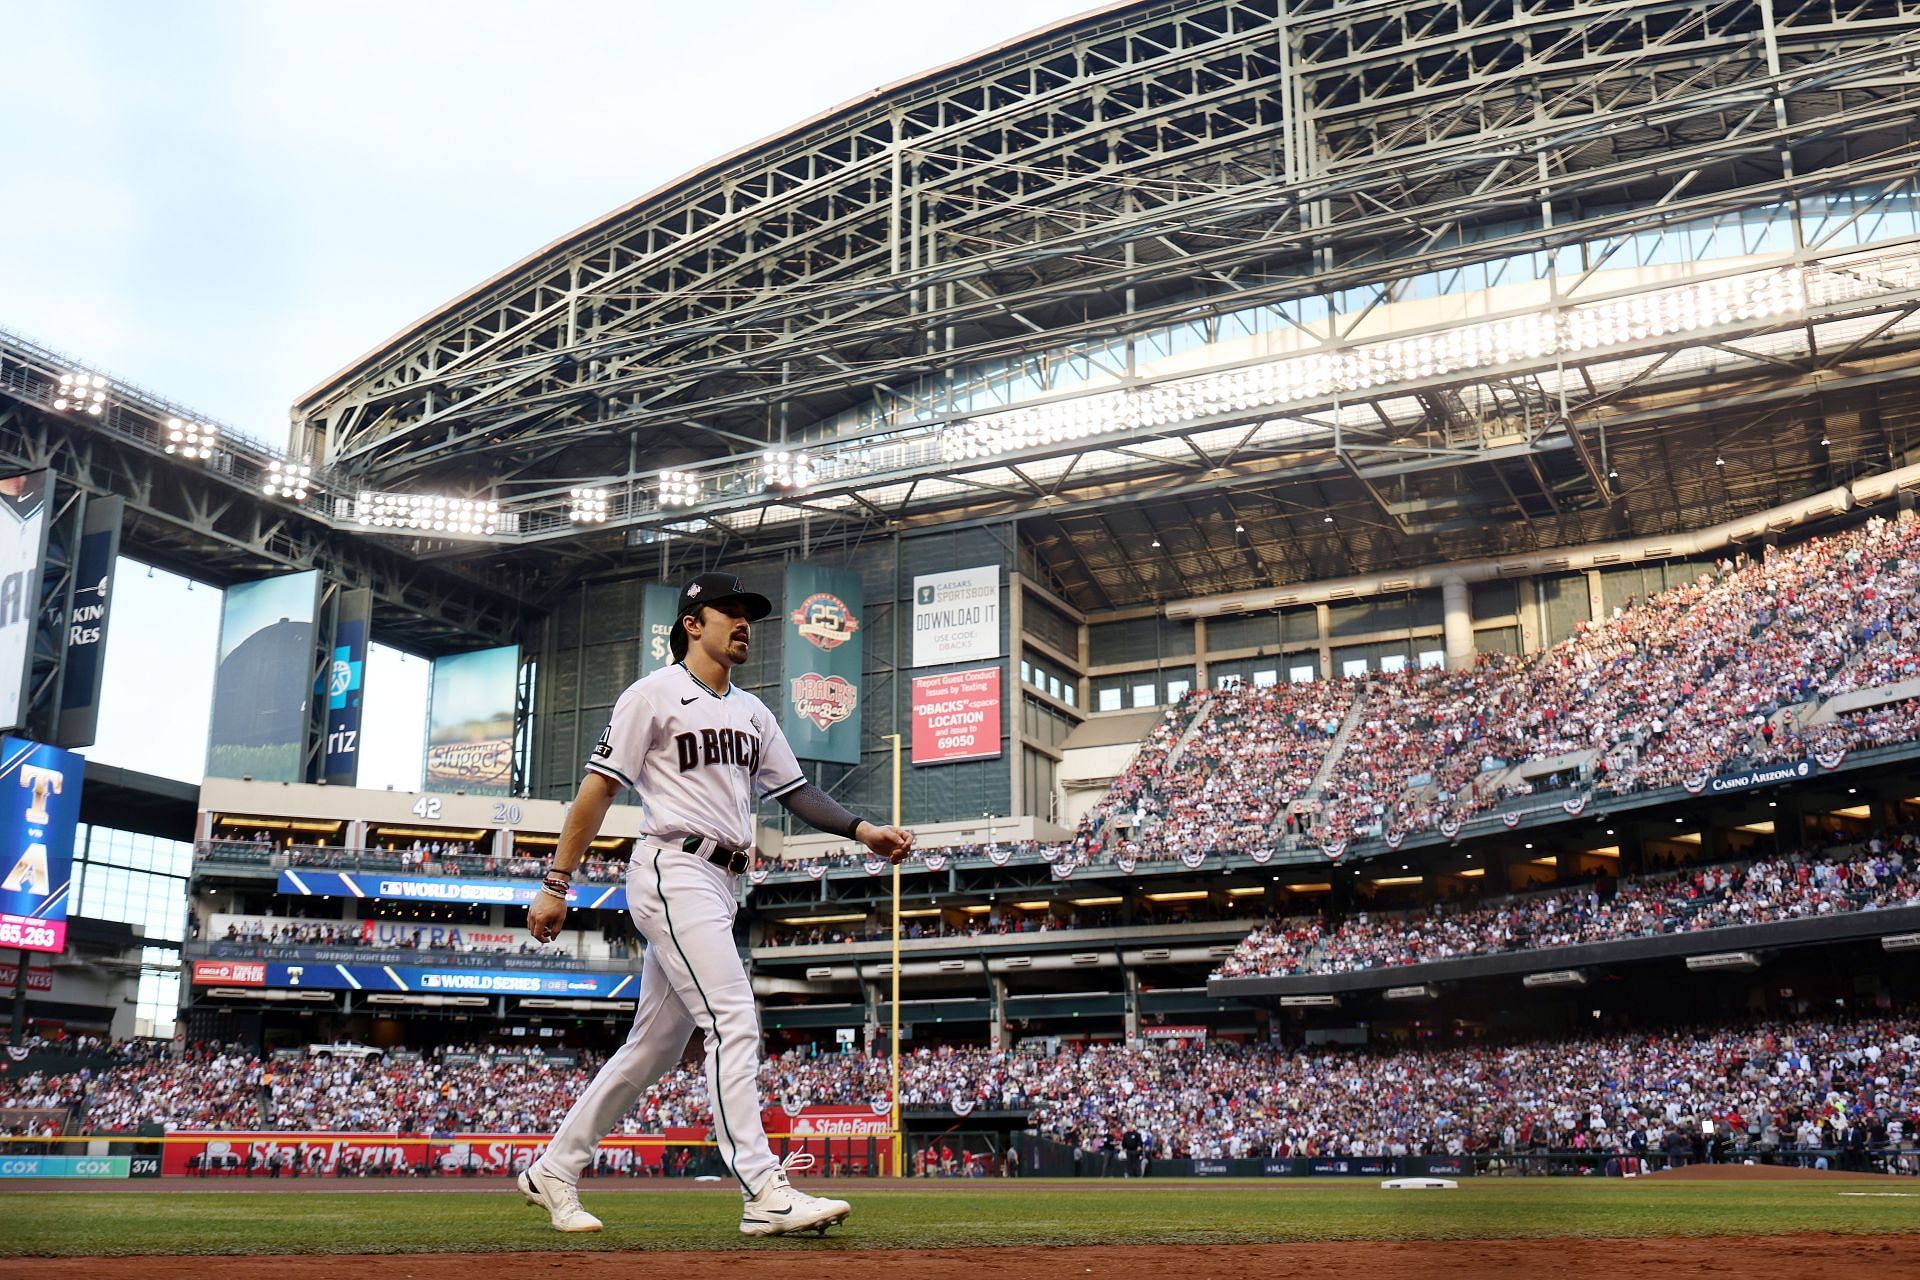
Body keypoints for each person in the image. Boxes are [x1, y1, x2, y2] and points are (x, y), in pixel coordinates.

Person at [517, 572, 915, 1237]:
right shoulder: (653, 695)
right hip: (674, 867)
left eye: (748, 614)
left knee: (651, 1050)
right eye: (728, 611)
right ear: (691, 624)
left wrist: (860, 829)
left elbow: (796, 791)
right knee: (733, 1020)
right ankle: (763, 1191)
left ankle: (555, 1167)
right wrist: (557, 883)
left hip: (722, 882)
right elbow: (595, 794)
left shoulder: (753, 712)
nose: (743, 622)